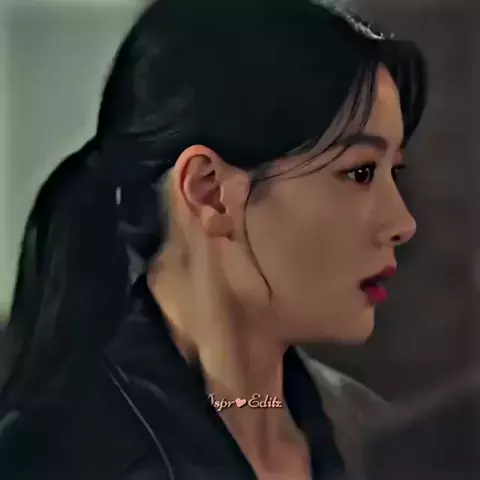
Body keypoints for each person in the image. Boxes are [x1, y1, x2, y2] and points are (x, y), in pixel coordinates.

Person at [0, 0, 427, 478]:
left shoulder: (377, 440)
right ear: (210, 192)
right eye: (360, 172)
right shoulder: (49, 461)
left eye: (394, 171)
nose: (403, 223)